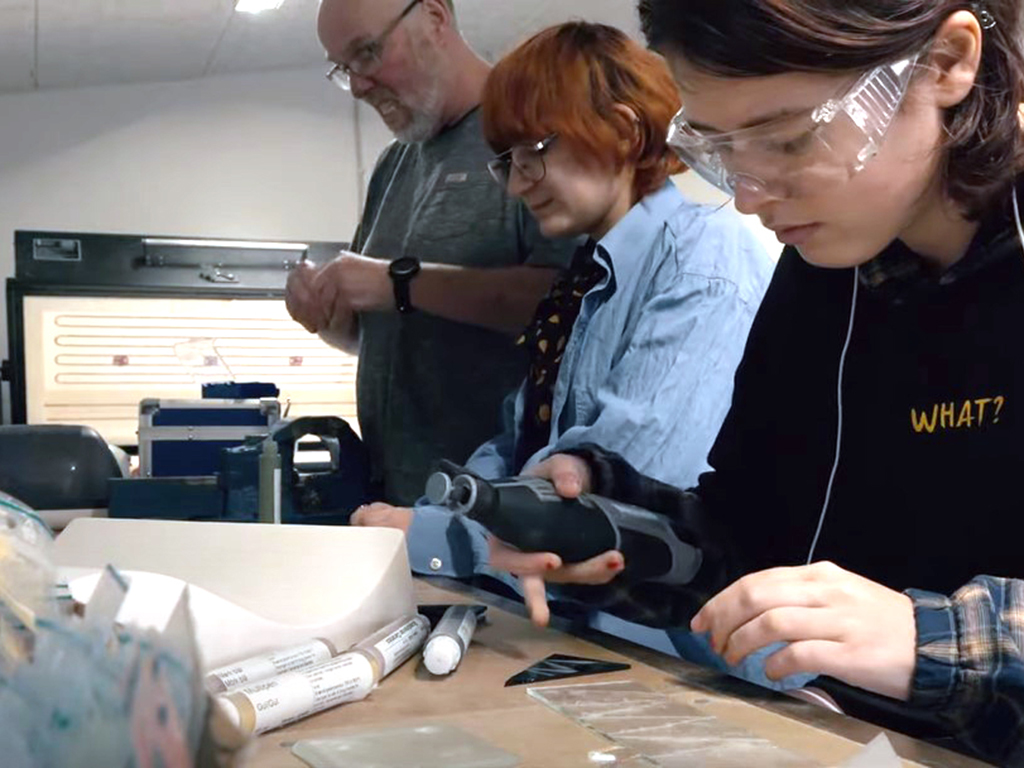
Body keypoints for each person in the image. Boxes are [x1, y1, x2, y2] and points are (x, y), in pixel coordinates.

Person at [484, 1, 1024, 763]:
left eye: (790, 140)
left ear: (945, 63)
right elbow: (753, 541)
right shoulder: (821, 275)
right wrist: (609, 525)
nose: (749, 194)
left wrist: (923, 638)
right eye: (721, 147)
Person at [352, 21, 773, 658]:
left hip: (677, 652)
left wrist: (433, 532)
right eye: (507, 162)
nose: (519, 184)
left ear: (627, 132)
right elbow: (522, 432)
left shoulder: (705, 254)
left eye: (535, 152)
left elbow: (620, 485)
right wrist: (457, 499)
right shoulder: (588, 271)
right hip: (585, 631)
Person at [285, 0, 576, 504]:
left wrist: (402, 282)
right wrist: (326, 312)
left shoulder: (534, 132)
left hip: (501, 509)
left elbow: (573, 303)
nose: (357, 85)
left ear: (436, 18)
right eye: (344, 68)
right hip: (400, 501)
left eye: (367, 53)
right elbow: (377, 328)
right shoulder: (393, 165)